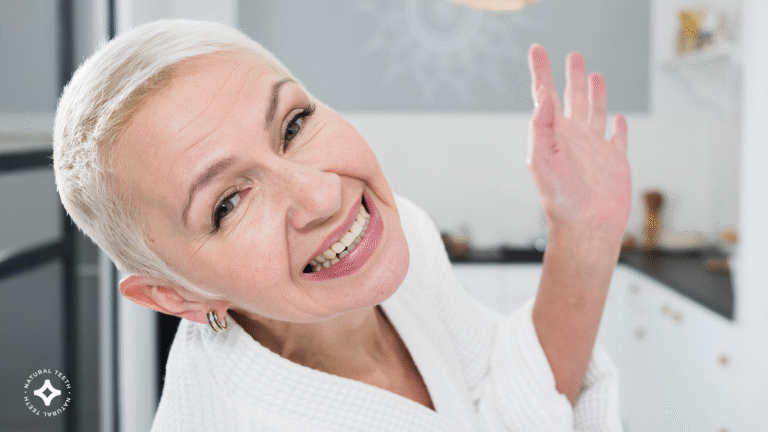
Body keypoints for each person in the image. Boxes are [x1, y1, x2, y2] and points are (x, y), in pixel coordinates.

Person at [53, 19, 630, 431]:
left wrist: (585, 231)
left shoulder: (399, 241)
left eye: (293, 124)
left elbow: (507, 403)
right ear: (175, 295)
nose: (324, 195)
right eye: (228, 203)